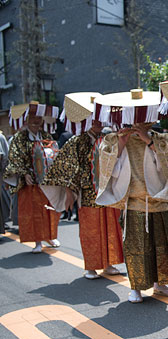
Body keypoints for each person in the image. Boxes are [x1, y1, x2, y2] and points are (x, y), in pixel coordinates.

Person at [96, 123, 168, 303]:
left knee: (161, 246)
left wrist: (149, 141)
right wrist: (122, 143)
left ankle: (160, 283)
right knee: (136, 247)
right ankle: (136, 287)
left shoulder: (160, 138)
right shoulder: (113, 140)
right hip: (133, 201)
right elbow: (107, 169)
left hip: (157, 200)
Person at [42, 119, 124, 279]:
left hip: (108, 190)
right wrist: (69, 192)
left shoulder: (109, 139)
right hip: (87, 192)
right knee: (91, 230)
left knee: (110, 228)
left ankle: (109, 263)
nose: (97, 124)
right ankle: (91, 267)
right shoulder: (77, 141)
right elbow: (68, 166)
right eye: (93, 121)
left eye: (100, 120)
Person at [4, 109, 61, 253]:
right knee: (34, 211)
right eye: (33, 118)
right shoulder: (20, 137)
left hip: (46, 181)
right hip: (30, 181)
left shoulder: (46, 135)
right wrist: (24, 174)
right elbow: (14, 158)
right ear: (27, 120)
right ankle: (37, 241)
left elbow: (53, 153)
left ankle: (50, 235)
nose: (36, 121)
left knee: (49, 209)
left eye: (38, 118)